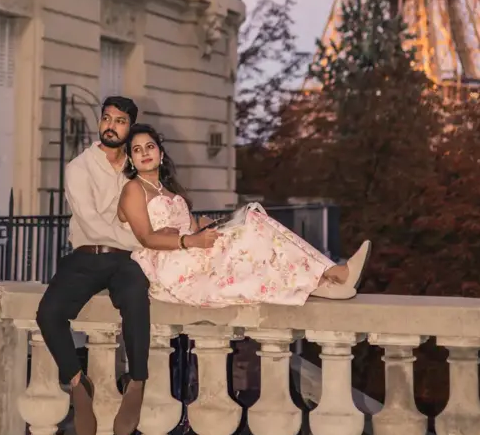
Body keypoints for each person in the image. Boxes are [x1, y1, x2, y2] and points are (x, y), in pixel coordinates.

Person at [36, 98, 179, 435]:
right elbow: (92, 223)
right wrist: (142, 238)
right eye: (106, 119)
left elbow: (162, 213)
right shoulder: (79, 167)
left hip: (127, 261)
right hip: (85, 256)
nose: (110, 125)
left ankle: (137, 382)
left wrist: (152, 239)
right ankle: (76, 382)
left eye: (120, 121)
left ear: (130, 128)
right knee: (48, 313)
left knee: (135, 300)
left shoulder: (136, 171)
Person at [118, 123, 371, 306]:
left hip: (189, 248)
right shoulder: (133, 189)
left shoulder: (167, 189)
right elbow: (146, 238)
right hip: (170, 263)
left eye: (149, 146)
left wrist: (205, 226)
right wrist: (190, 241)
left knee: (253, 221)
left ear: (161, 154)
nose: (145, 153)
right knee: (254, 233)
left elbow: (188, 224)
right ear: (130, 159)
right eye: (137, 150)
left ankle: (323, 280)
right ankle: (332, 275)